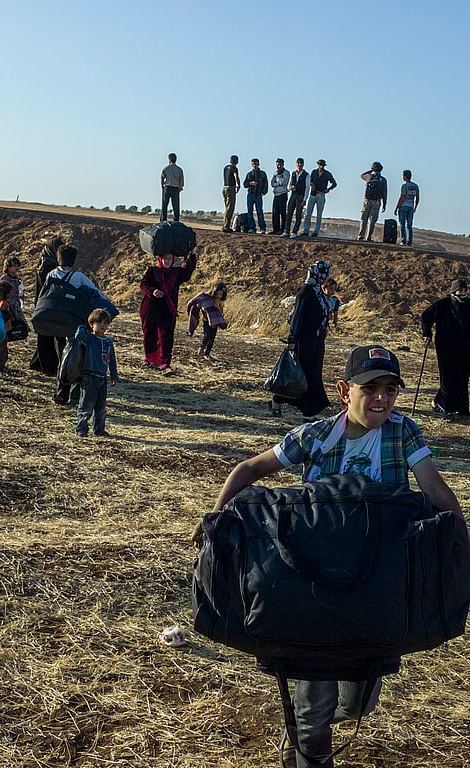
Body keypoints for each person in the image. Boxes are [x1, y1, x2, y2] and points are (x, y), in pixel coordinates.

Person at [194, 344, 463, 768]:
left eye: (390, 389)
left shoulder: (402, 431)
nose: (382, 398)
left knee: (359, 705)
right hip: (311, 584)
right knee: (314, 705)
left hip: (375, 585)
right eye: (370, 387)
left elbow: (433, 487)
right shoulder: (315, 435)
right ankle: (304, 737)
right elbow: (248, 470)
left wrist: (459, 539)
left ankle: (304, 725)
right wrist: (215, 516)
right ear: (344, 390)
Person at [47, 244, 111, 405]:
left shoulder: (51, 274)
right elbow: (96, 293)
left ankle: (61, 394)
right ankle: (75, 394)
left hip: (55, 322)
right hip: (74, 323)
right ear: (74, 260)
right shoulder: (78, 277)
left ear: (58, 258)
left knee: (62, 358)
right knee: (77, 359)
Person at [269, 261, 332, 418]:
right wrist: (292, 338)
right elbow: (297, 316)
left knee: (312, 374)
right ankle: (278, 400)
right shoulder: (305, 291)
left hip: (316, 342)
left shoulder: (319, 292)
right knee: (299, 375)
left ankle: (308, 411)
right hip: (304, 342)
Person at [139, 249, 197, 373]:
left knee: (166, 335)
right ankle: (149, 359)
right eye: (165, 258)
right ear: (161, 259)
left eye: (170, 258)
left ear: (173, 260)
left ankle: (164, 362)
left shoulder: (176, 272)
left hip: (167, 308)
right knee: (149, 333)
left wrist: (191, 255)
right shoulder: (152, 271)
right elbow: (144, 284)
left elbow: (188, 271)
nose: (167, 261)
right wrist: (153, 291)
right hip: (151, 307)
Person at [421, 278, 470, 420]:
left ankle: (462, 409)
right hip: (446, 346)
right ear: (453, 291)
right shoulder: (443, 304)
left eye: (465, 290)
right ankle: (447, 408)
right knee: (448, 376)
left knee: (462, 376)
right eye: (460, 290)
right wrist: (427, 333)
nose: (463, 293)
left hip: (465, 347)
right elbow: (426, 316)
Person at [75, 309, 118, 437]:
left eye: (105, 323)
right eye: (99, 322)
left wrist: (114, 375)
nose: (102, 326)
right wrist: (83, 323)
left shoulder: (108, 342)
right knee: (86, 405)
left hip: (102, 378)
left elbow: (112, 360)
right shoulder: (89, 338)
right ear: (92, 324)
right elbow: (79, 335)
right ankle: (81, 428)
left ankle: (99, 429)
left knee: (101, 406)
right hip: (89, 377)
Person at [29, 236, 64, 375]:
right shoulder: (50, 266)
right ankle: (47, 366)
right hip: (48, 304)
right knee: (48, 337)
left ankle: (39, 363)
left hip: (42, 303)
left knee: (45, 336)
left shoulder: (44, 261)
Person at [186, 282, 227, 361]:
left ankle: (207, 353)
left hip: (215, 322)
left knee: (212, 338)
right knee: (207, 336)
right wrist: (199, 306)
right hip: (206, 321)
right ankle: (201, 348)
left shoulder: (220, 302)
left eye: (221, 294)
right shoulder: (207, 299)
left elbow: (221, 313)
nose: (218, 296)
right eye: (217, 294)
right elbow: (198, 304)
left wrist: (217, 307)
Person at [301, 160, 337, 238]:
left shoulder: (327, 174)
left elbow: (334, 183)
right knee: (308, 214)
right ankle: (306, 230)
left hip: (321, 195)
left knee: (319, 215)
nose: (321, 166)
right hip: (313, 194)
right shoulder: (314, 172)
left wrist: (328, 189)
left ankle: (316, 232)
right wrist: (312, 184)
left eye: (322, 165)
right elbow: (309, 181)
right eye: (320, 164)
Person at [356, 162, 387, 242]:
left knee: (364, 218)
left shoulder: (369, 176)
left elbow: (361, 175)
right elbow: (384, 192)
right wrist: (384, 204)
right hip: (377, 201)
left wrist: (371, 170)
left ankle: (360, 236)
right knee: (372, 220)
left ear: (373, 169)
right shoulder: (383, 180)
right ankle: (368, 237)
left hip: (367, 200)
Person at [281, 158, 310, 239]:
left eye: (301, 163)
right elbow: (289, 185)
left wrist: (305, 199)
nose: (299, 165)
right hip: (293, 195)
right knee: (289, 213)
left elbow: (307, 188)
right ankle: (286, 231)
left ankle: (294, 231)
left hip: (301, 196)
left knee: (298, 214)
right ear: (296, 164)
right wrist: (291, 188)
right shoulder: (293, 173)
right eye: (298, 163)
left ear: (303, 164)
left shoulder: (306, 175)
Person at [394, 170, 420, 246]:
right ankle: (410, 241)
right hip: (411, 207)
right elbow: (417, 197)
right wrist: (415, 207)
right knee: (409, 225)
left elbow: (402, 197)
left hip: (403, 207)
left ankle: (403, 240)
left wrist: (397, 207)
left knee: (402, 225)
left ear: (404, 177)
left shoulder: (404, 186)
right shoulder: (415, 186)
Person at [243, 159, 268, 234]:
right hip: (250, 194)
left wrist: (263, 192)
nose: (254, 165)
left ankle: (262, 228)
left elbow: (266, 184)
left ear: (258, 164)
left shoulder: (262, 174)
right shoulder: (249, 174)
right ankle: (252, 228)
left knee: (259, 212)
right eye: (253, 164)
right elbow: (245, 184)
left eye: (256, 164)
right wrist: (250, 183)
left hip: (258, 195)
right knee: (250, 212)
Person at [0, 255, 27, 326]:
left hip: (16, 304)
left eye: (18, 265)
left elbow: (21, 291)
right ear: (8, 267)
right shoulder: (5, 278)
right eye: (14, 265)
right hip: (7, 304)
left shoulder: (18, 279)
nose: (16, 267)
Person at [0, 281, 13, 373]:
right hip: (2, 329)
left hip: (1, 330)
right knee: (0, 349)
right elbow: (3, 316)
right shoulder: (3, 304)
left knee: (3, 348)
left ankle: (1, 365)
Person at [161, 153, 184, 222]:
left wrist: (162, 186)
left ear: (169, 159)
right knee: (176, 206)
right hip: (175, 189)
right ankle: (176, 220)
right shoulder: (179, 169)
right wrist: (180, 188)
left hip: (167, 187)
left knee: (164, 205)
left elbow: (162, 178)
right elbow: (182, 182)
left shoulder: (166, 168)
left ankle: (163, 219)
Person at [270, 158, 290, 235]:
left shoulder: (286, 173)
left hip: (283, 194)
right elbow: (272, 183)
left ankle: (283, 229)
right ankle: (275, 229)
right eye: (277, 164)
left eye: (280, 164)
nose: (279, 165)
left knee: (282, 212)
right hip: (276, 194)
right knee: (275, 212)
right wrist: (277, 183)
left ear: (283, 164)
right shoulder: (275, 173)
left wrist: (277, 183)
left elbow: (283, 182)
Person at [222, 156, 240, 233]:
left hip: (224, 187)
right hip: (230, 188)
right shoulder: (234, 168)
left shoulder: (226, 168)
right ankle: (226, 226)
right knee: (230, 207)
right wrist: (238, 185)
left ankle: (225, 225)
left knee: (227, 207)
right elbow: (236, 176)